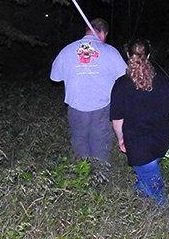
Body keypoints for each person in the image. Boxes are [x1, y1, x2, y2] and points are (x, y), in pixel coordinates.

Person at [109, 40, 169, 207]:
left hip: (137, 143)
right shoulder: (161, 81)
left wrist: (121, 139)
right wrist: (157, 121)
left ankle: (164, 214)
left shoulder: (120, 85)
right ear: (148, 55)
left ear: (127, 56)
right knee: (147, 171)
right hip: (161, 139)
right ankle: (139, 198)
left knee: (155, 188)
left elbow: (117, 120)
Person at [50, 19, 127, 167]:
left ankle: (82, 177)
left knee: (79, 141)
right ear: (103, 33)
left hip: (76, 107)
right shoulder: (110, 51)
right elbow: (126, 77)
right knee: (101, 143)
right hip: (103, 108)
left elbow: (54, 76)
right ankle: (100, 177)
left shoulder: (67, 50)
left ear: (87, 30)